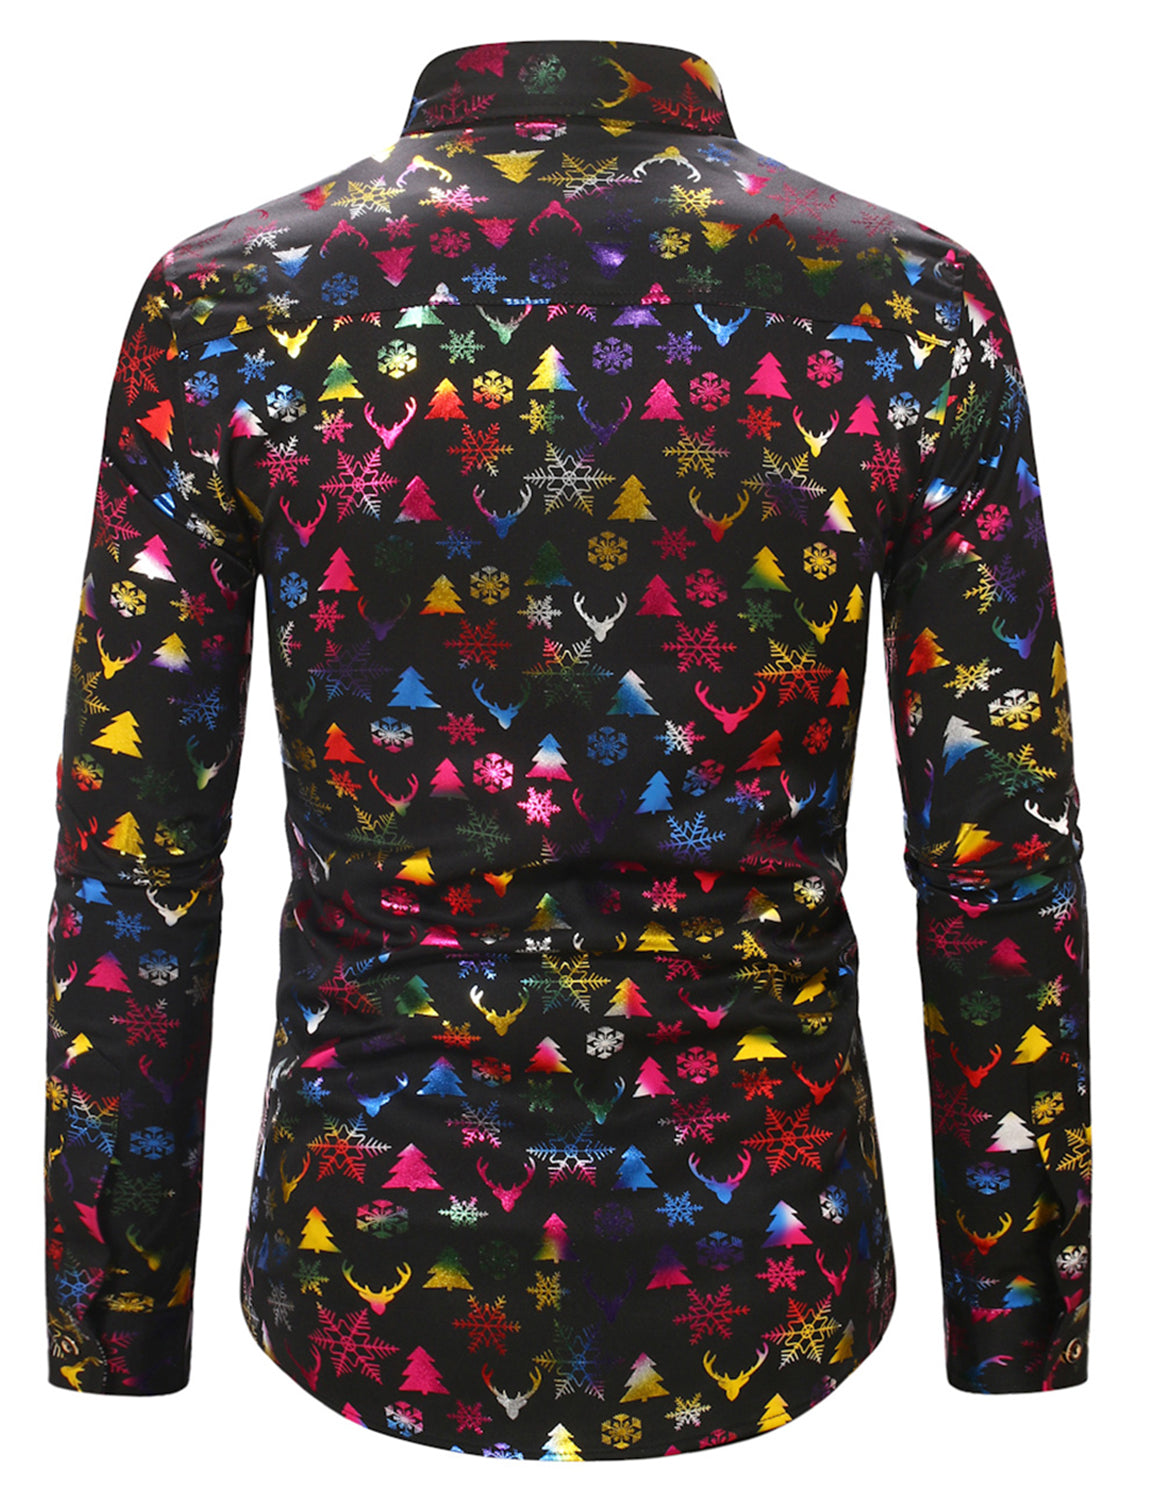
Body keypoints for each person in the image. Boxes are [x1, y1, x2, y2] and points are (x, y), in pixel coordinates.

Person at [44, 38, 1090, 1460]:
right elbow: (1001, 855)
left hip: (365, 1265)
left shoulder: (230, 303)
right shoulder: (905, 304)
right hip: (771, 1282)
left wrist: (113, 1340)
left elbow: (134, 863)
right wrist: (1017, 1341)